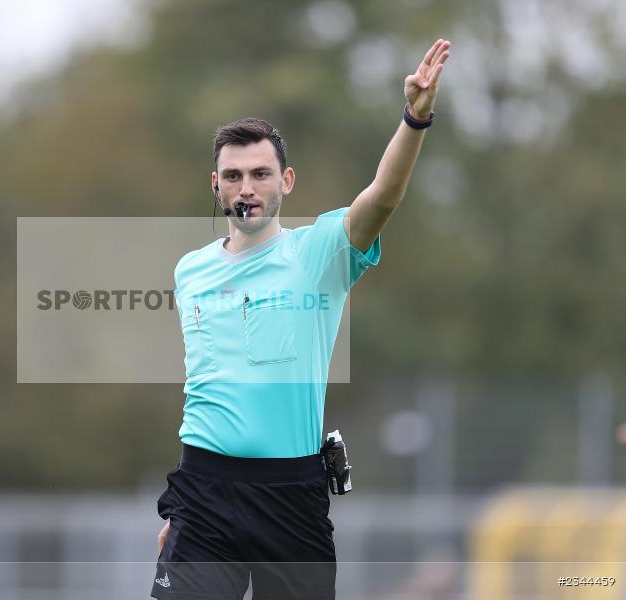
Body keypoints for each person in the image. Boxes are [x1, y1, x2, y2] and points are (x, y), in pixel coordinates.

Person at [151, 39, 451, 600]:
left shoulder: (318, 255)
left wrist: (414, 117)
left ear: (286, 182)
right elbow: (207, 388)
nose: (248, 188)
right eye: (234, 176)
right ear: (215, 186)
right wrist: (184, 512)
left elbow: (384, 196)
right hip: (203, 493)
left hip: (289, 497)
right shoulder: (189, 271)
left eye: (261, 174)